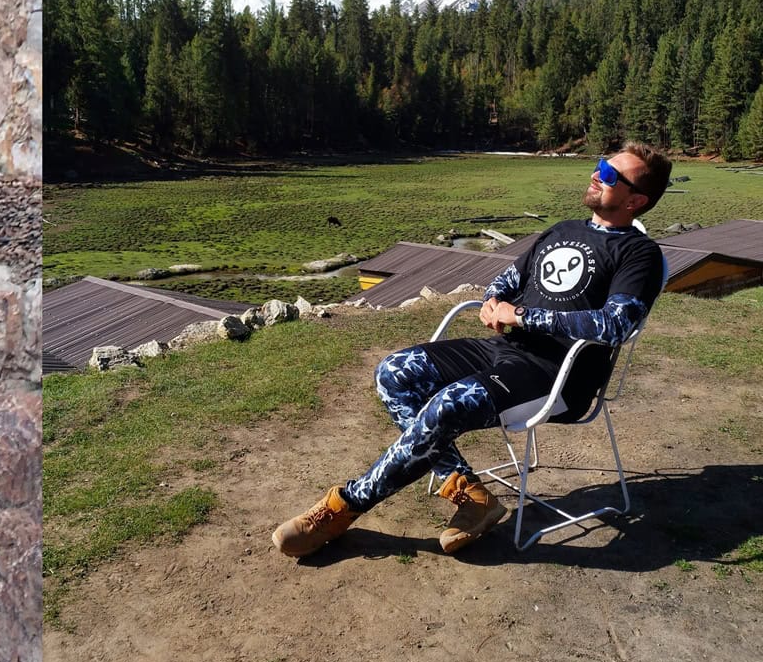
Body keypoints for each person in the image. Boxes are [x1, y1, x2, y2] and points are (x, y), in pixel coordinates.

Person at [273, 143, 672, 558]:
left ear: (636, 200)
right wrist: (492, 303)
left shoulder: (639, 253)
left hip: (556, 375)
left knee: (448, 406)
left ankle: (344, 507)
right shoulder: (560, 230)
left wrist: (521, 315)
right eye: (599, 166)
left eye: (610, 175)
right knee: (394, 371)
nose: (596, 174)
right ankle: (471, 493)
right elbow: (505, 280)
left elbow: (615, 324)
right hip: (503, 348)